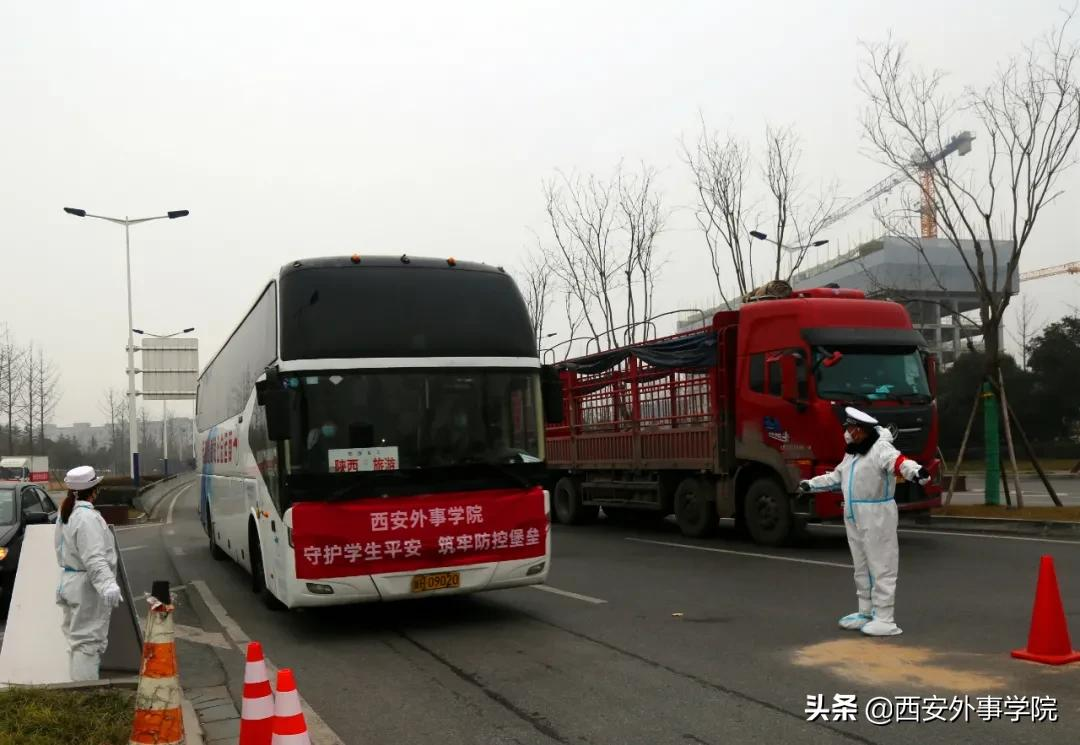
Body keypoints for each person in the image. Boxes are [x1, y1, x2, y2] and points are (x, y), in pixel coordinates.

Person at [799, 407, 930, 637]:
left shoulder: (880, 448)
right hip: (854, 514)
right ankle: (866, 611)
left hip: (877, 513)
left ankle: (885, 618)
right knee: (861, 566)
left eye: (849, 429)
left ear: (859, 430)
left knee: (882, 565)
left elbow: (898, 462)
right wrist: (811, 484)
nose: (846, 433)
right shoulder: (853, 452)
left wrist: (917, 472)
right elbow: (837, 477)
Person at [54, 465, 123, 681]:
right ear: (93, 490)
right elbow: (94, 557)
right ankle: (86, 699)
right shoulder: (86, 518)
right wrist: (107, 585)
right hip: (86, 589)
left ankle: (77, 696)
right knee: (88, 646)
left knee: (78, 644)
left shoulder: (67, 514)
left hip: (70, 583)